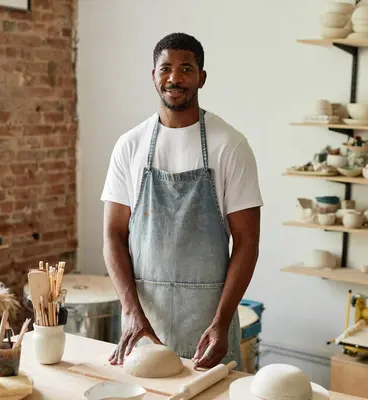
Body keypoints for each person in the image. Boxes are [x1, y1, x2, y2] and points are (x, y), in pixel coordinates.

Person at [101, 32, 263, 370]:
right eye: (165, 69)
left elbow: (247, 243)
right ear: (153, 76)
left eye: (186, 69)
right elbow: (113, 236)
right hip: (143, 324)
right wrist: (131, 312)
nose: (175, 78)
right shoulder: (129, 146)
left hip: (208, 327)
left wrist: (221, 322)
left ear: (202, 77)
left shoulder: (230, 145)